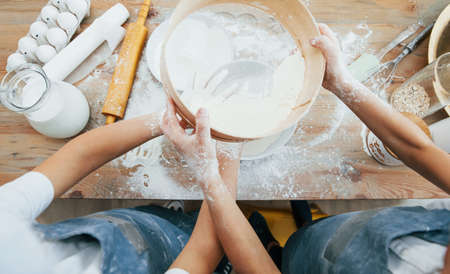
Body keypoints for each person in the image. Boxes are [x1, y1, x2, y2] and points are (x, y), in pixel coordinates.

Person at [161, 23, 450, 273]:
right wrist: (342, 83)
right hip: (355, 234)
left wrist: (211, 175)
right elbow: (419, 150)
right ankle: (286, 247)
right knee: (306, 245)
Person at [0, 112, 240, 274]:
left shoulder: (4, 229)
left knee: (157, 220)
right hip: (174, 261)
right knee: (213, 247)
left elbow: (80, 154)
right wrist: (225, 156)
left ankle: (168, 218)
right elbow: (202, 251)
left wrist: (166, 119)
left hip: (117, 228)